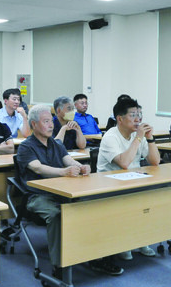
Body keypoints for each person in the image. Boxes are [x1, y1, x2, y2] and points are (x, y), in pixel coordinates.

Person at [16, 105, 122, 277]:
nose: (51, 125)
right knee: (58, 215)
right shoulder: (26, 147)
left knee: (94, 207)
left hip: (62, 193)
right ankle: (60, 265)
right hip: (38, 197)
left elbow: (68, 160)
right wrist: (63, 172)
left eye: (51, 121)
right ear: (34, 124)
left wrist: (82, 167)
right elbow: (38, 168)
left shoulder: (56, 144)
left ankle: (97, 257)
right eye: (46, 122)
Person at [97, 97, 160, 260]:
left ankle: (140, 240)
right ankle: (124, 242)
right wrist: (139, 138)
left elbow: (155, 161)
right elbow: (124, 163)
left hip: (133, 181)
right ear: (120, 119)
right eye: (133, 115)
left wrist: (150, 138)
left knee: (152, 201)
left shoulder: (137, 135)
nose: (138, 119)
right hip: (108, 185)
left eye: (139, 114)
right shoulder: (111, 136)